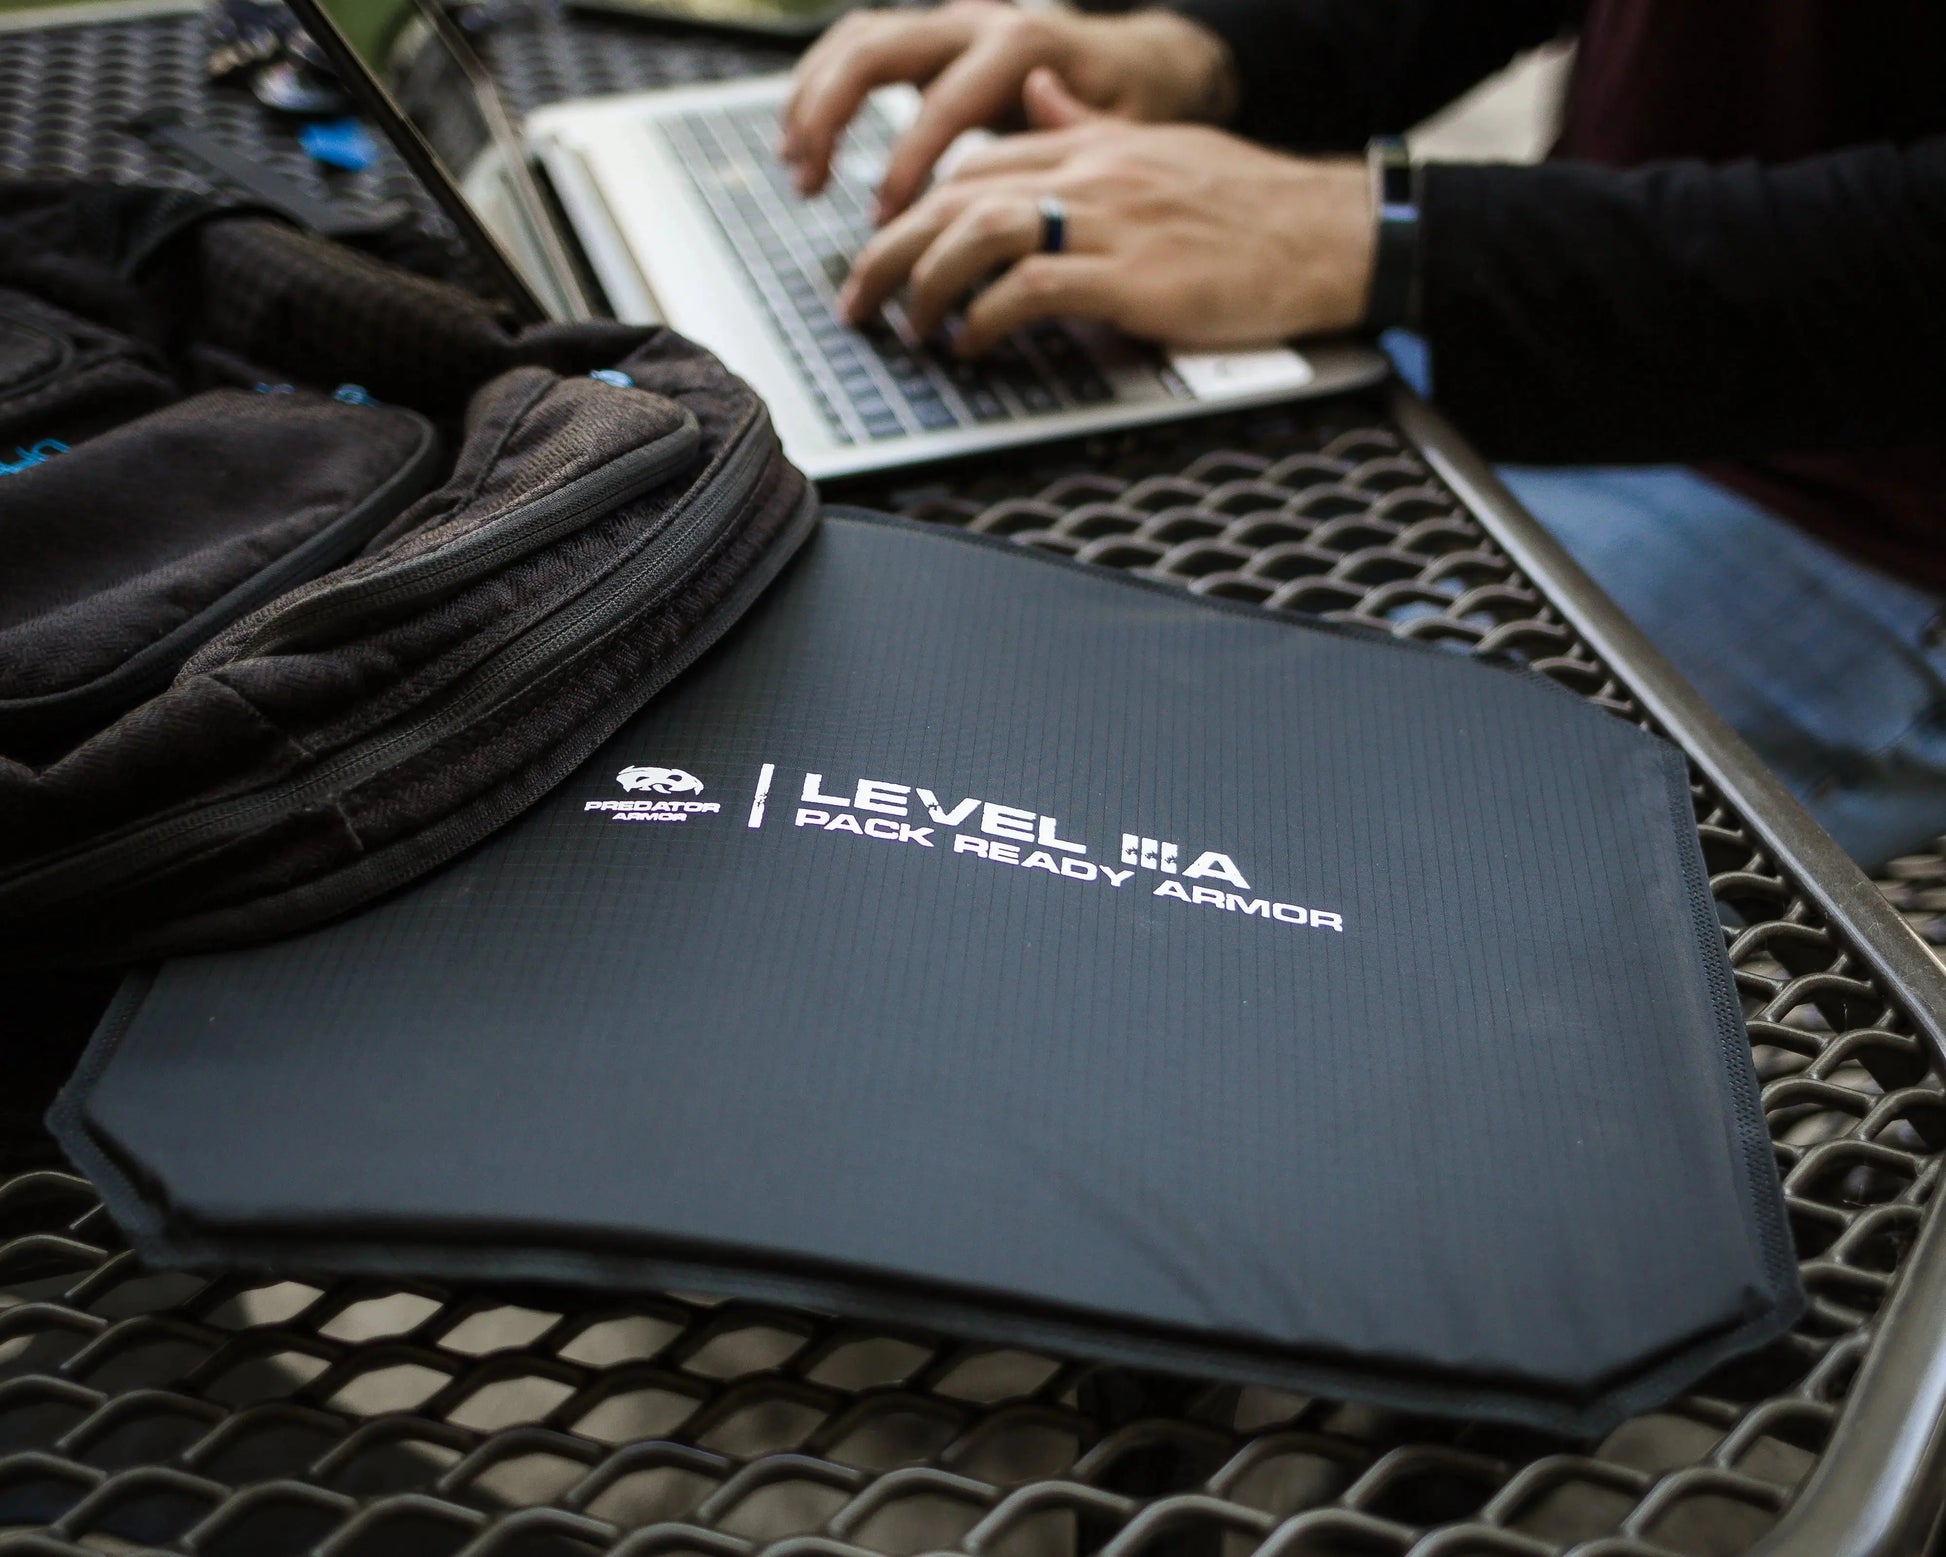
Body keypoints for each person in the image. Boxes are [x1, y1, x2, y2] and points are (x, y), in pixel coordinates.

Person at [776, 0, 1946, 873]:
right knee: (955, 665)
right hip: (1546, 313)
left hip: (1863, 520)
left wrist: (1371, 237)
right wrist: (1195, 56)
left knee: (1203, 841)